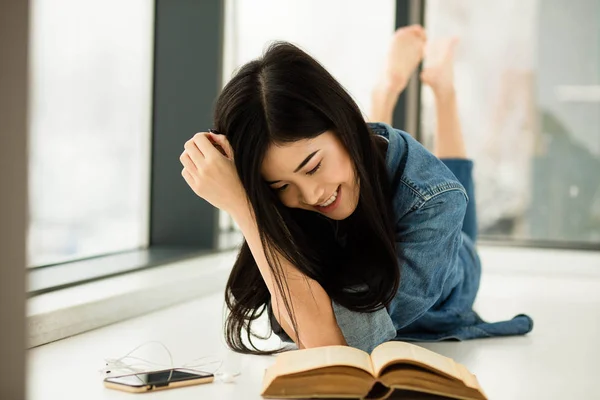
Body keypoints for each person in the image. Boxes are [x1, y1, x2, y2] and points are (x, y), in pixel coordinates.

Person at [179, 25, 533, 355]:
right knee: (363, 171)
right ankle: (388, 90)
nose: (312, 195)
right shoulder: (291, 192)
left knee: (456, 213)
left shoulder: (434, 199)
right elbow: (301, 324)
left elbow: (330, 344)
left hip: (452, 268)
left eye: (313, 166)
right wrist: (247, 201)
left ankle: (443, 90)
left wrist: (243, 209)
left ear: (344, 124)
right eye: (281, 185)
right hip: (365, 185)